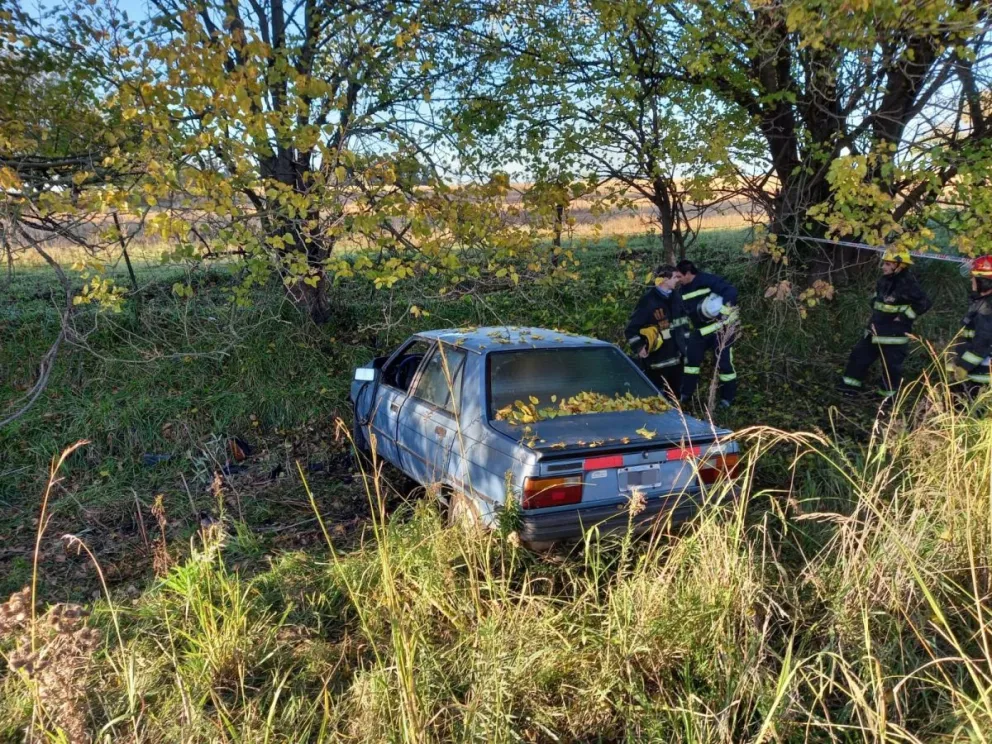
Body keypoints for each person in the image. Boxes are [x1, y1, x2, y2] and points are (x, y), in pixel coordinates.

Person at [838, 246, 932, 399]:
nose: (883, 267)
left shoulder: (907, 283)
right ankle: (849, 387)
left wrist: (903, 317)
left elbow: (924, 303)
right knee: (858, 356)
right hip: (875, 329)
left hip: (894, 335)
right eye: (885, 263)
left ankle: (887, 397)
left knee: (891, 367)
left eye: (888, 264)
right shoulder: (884, 281)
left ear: (899, 266)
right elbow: (878, 300)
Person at [673, 259, 740, 407]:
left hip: (721, 328)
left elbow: (731, 291)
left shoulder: (707, 280)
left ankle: (727, 399)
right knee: (691, 361)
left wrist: (724, 313)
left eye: (679, 277)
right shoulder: (682, 290)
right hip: (701, 331)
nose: (678, 280)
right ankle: (685, 395)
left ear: (688, 273)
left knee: (724, 363)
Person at [625, 265, 687, 401]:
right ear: (665, 279)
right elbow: (631, 329)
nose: (678, 280)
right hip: (656, 364)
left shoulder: (676, 297)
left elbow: (683, 323)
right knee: (655, 400)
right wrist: (639, 347)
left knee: (675, 399)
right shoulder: (648, 301)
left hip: (677, 360)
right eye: (675, 277)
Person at [947, 255, 992, 396]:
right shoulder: (981, 302)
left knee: (969, 411)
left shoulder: (987, 307)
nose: (971, 281)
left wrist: (964, 367)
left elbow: (983, 341)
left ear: (984, 281)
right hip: (976, 370)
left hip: (980, 374)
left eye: (974, 277)